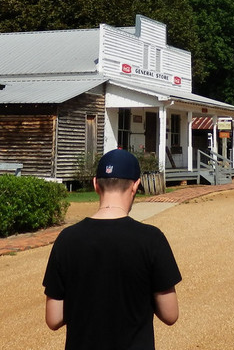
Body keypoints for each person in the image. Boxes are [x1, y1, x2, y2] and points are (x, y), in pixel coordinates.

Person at [43, 148, 181, 350]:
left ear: (95, 185)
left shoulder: (67, 239)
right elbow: (170, 314)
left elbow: (53, 318)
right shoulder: (151, 239)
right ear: (135, 186)